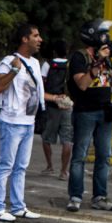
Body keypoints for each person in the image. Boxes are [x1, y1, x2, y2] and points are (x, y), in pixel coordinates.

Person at [0, 23, 45, 222]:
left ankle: (18, 206)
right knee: (6, 165)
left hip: (29, 122)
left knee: (21, 167)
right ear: (24, 39)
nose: (40, 39)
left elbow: (36, 91)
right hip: (11, 122)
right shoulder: (9, 61)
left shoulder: (36, 63)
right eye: (36, 36)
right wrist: (14, 70)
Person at [66, 19, 112, 212]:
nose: (106, 38)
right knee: (80, 155)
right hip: (85, 112)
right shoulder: (79, 57)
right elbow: (83, 84)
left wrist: (106, 60)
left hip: (105, 112)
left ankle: (100, 197)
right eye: (103, 34)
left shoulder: (107, 59)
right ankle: (75, 196)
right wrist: (99, 61)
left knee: (104, 156)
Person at [39, 40, 73, 179]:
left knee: (46, 137)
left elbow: (41, 84)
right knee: (67, 139)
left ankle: (50, 166)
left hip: (52, 104)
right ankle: (64, 171)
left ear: (54, 51)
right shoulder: (70, 65)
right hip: (67, 104)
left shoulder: (47, 64)